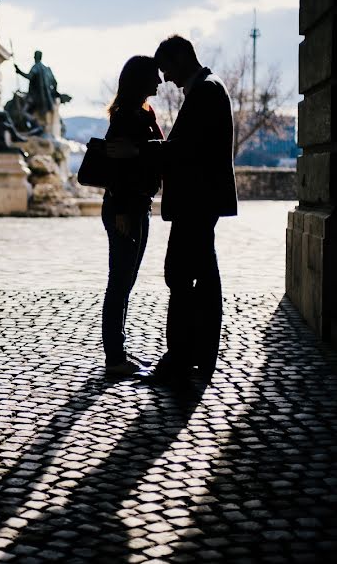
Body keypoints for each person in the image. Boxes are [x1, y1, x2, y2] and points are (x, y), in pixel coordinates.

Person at [108, 35, 237, 385]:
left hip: (196, 201)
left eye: (167, 69)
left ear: (182, 59)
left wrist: (139, 150)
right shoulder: (210, 88)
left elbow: (185, 149)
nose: (166, 78)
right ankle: (197, 354)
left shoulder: (206, 91)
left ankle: (180, 357)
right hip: (200, 201)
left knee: (180, 276)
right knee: (199, 276)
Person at [100, 56, 164, 376]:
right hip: (125, 208)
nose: (160, 82)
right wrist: (123, 210)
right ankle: (114, 357)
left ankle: (119, 352)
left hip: (138, 205)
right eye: (154, 76)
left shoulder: (143, 112)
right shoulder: (127, 116)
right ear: (139, 79)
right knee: (120, 282)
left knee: (126, 280)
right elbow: (118, 168)